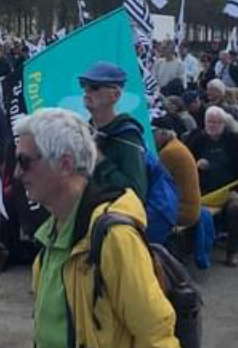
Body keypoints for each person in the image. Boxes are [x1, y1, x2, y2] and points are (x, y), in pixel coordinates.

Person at [18, 109, 180, 348]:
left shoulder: (113, 237)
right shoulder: (51, 234)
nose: (17, 173)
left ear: (65, 164)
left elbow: (156, 334)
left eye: (24, 162)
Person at [185, 106, 238, 266]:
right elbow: (185, 166)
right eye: (209, 121)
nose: (212, 125)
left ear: (224, 123)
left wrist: (237, 191)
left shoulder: (235, 141)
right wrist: (196, 165)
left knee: (237, 208)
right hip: (203, 191)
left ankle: (232, 252)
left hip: (230, 190)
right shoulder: (196, 139)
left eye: (216, 122)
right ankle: (195, 250)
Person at [78, 62, 148, 203]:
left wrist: (100, 161)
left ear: (115, 95)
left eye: (94, 87)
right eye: (83, 85)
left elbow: (137, 193)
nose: (86, 91)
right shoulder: (85, 130)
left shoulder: (127, 135)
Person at [152, 115, 201, 230]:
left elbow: (154, 182)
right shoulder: (176, 145)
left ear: (163, 134)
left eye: (153, 132)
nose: (151, 137)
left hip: (183, 211)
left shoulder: (168, 152)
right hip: (191, 208)